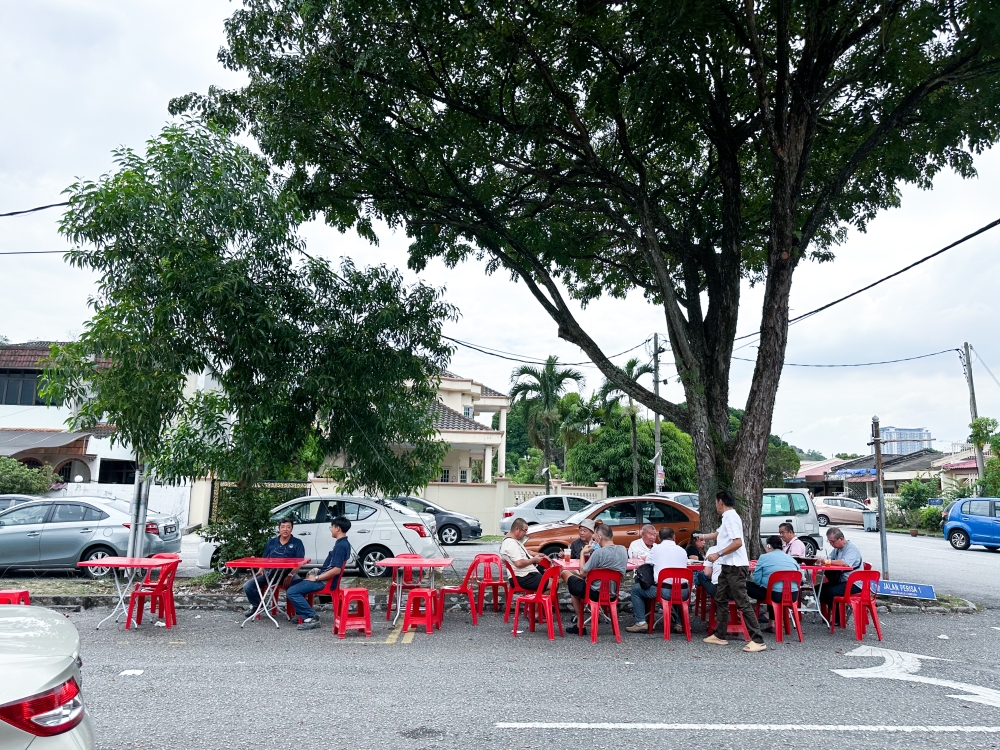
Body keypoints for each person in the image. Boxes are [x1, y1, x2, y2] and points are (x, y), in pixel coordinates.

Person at [700, 490, 766, 652]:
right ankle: (720, 635)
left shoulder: (731, 517)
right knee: (720, 598)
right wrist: (702, 536)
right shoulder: (727, 518)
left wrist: (718, 553)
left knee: (742, 602)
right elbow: (718, 534)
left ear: (720, 501)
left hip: (735, 566)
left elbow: (737, 542)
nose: (715, 505)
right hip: (727, 566)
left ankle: (758, 640)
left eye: (716, 502)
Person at [287, 516, 352, 630]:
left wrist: (317, 578)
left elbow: (336, 569)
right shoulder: (342, 543)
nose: (330, 529)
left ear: (337, 528)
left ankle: (311, 617)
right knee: (293, 584)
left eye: (331, 527)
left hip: (325, 582)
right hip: (324, 578)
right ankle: (303, 613)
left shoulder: (341, 546)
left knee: (291, 592)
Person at [560, 523, 627, 635]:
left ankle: (580, 625)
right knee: (576, 584)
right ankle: (581, 624)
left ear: (599, 537)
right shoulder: (623, 550)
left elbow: (582, 572)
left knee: (566, 574)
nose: (594, 539)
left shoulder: (598, 553)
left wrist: (582, 553)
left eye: (594, 537)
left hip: (594, 593)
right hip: (613, 593)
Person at [626, 526, 689, 633]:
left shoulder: (655, 549)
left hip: (664, 591)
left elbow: (648, 563)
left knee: (636, 589)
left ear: (659, 538)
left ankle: (641, 622)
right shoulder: (682, 550)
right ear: (674, 537)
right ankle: (680, 624)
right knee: (678, 586)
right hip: (684, 592)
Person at [242, 518, 306, 619]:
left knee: (301, 587)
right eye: (283, 527)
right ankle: (256, 606)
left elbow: (299, 563)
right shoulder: (271, 542)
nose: (285, 529)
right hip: (270, 574)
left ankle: (299, 613)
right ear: (279, 529)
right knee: (248, 586)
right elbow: (264, 559)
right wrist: (261, 569)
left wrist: (291, 574)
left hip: (289, 573)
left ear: (292, 529)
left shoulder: (297, 543)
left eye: (288, 527)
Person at [747, 535, 801, 633]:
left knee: (746, 585)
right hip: (793, 596)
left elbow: (757, 580)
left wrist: (767, 581)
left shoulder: (763, 557)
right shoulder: (791, 559)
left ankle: (744, 618)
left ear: (768, 546)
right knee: (772, 589)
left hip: (774, 595)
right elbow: (802, 578)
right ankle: (771, 624)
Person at [819, 526, 863, 623]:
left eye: (833, 542)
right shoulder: (837, 549)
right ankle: (835, 612)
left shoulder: (851, 548)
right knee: (819, 589)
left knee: (831, 592)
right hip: (841, 580)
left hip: (854, 583)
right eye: (829, 542)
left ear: (841, 539)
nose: (831, 544)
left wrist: (826, 561)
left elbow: (844, 563)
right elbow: (830, 558)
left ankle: (840, 616)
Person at [500, 518, 548, 591]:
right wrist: (534, 560)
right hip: (522, 577)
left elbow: (523, 551)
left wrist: (536, 554)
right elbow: (519, 563)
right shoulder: (511, 543)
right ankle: (537, 601)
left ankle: (537, 600)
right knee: (553, 584)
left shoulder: (513, 540)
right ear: (517, 529)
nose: (525, 534)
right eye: (525, 530)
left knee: (551, 578)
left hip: (525, 574)